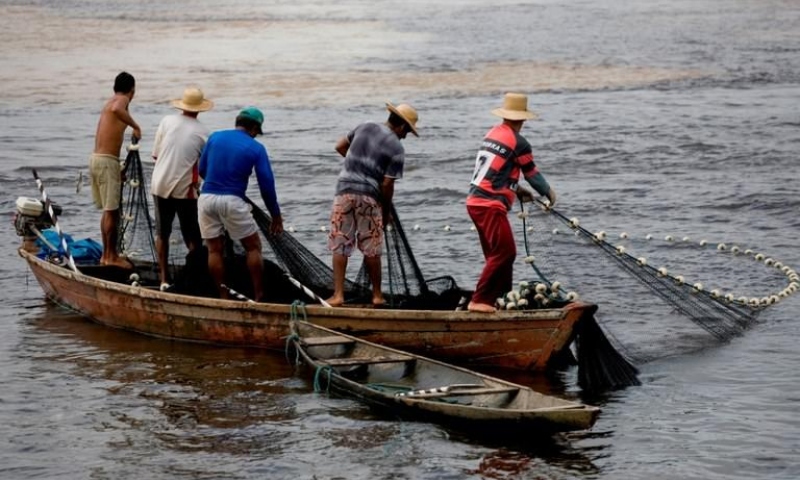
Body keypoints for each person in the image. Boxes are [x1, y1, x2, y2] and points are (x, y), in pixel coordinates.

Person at [466, 93, 557, 313]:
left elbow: (497, 171)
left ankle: (501, 297)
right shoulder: (519, 142)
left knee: (496, 255)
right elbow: (532, 174)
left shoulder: (493, 133)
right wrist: (549, 193)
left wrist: (517, 191)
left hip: (475, 202)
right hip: (490, 205)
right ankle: (478, 301)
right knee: (505, 254)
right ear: (523, 119)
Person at [326, 101, 419, 307]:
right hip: (369, 197)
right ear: (402, 126)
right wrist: (386, 212)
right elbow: (387, 184)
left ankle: (338, 295)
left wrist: (357, 164)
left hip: (344, 192)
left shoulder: (365, 126)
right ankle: (377, 296)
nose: (406, 136)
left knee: (340, 243)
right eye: (407, 132)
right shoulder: (397, 148)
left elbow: (340, 146)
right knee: (372, 248)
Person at [197, 107, 283, 301]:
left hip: (206, 197)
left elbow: (202, 169)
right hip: (233, 200)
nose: (255, 136)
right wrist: (275, 215)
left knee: (214, 249)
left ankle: (223, 296)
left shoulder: (215, 137)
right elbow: (266, 185)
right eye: (256, 132)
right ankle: (259, 296)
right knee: (253, 247)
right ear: (253, 127)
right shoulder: (256, 148)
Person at [150, 87, 214, 290]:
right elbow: (204, 167)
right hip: (184, 189)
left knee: (162, 233)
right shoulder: (204, 132)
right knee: (193, 237)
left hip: (159, 183)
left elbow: (157, 155)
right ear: (200, 109)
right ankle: (193, 278)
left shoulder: (167, 121)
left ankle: (163, 279)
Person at [89, 71, 142, 268]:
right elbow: (118, 108)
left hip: (98, 159)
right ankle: (110, 257)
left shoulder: (110, 101)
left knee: (109, 211)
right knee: (112, 211)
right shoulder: (121, 101)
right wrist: (136, 126)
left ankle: (107, 255)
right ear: (132, 90)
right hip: (105, 162)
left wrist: (117, 168)